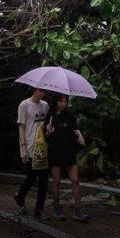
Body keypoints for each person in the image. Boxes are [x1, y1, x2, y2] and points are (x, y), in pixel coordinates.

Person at [44, 93, 88, 222]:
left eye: (65, 101)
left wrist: (80, 136)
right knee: (56, 181)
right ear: (56, 102)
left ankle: (78, 209)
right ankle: (57, 207)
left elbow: (75, 129)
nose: (63, 104)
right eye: (61, 101)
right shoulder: (50, 116)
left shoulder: (70, 115)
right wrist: (48, 131)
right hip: (55, 152)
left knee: (75, 180)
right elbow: (46, 136)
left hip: (69, 151)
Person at [15, 87, 50, 220]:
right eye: (39, 90)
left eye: (43, 91)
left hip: (42, 147)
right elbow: (21, 127)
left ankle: (39, 209)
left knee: (44, 180)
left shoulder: (45, 106)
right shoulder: (24, 105)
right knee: (31, 178)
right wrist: (23, 148)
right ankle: (20, 196)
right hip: (29, 145)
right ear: (33, 90)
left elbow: (46, 124)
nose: (41, 93)